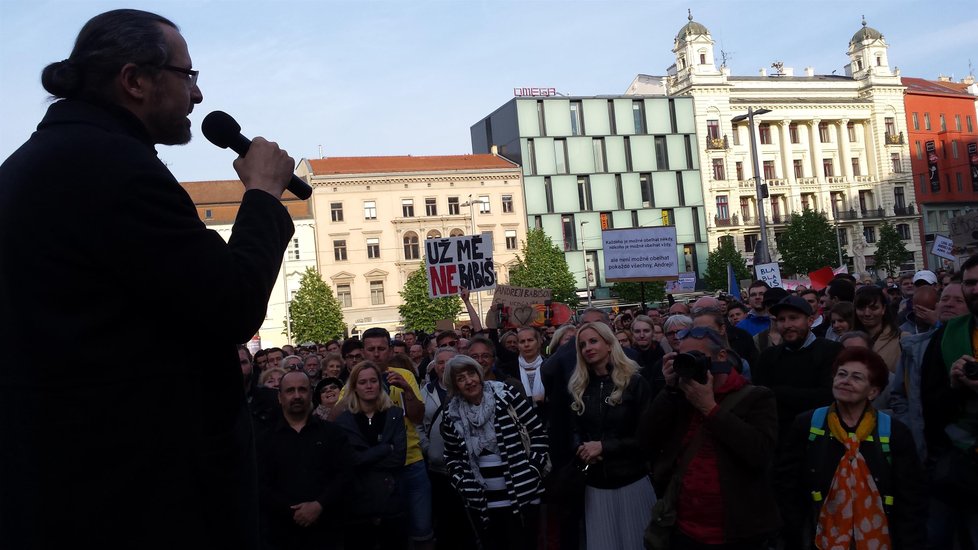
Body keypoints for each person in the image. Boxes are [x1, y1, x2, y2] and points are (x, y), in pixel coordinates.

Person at [0, 9, 298, 547]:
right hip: (141, 494)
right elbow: (231, 303)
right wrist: (260, 196)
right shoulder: (113, 168)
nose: (198, 97)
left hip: (67, 481)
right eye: (188, 77)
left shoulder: (34, 162)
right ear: (134, 80)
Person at [639, 326, 781, 548]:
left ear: (721, 356)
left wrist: (709, 408)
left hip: (737, 532)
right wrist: (669, 390)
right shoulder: (682, 394)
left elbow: (760, 453)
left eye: (696, 357)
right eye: (684, 357)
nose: (691, 364)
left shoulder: (756, 397)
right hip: (684, 527)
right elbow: (646, 439)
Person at [777, 348, 926, 550]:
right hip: (818, 537)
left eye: (857, 377)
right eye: (841, 374)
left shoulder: (894, 432)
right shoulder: (808, 424)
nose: (845, 381)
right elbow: (787, 486)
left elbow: (910, 500)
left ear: (873, 391)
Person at [440, 355, 548, 550]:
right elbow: (451, 456)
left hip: (523, 493)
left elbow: (537, 433)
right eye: (461, 378)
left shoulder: (506, 396)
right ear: (455, 386)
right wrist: (462, 483)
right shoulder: (451, 414)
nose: (469, 381)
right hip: (483, 503)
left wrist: (533, 470)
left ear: (479, 374)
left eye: (471, 373)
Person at [568, 322, 654, 549]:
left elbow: (647, 437)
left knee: (637, 542)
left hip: (632, 479)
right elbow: (574, 430)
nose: (587, 347)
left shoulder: (635, 382)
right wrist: (582, 449)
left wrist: (604, 447)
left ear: (609, 344)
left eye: (593, 341)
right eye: (582, 344)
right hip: (596, 484)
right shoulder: (579, 387)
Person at [919, 256, 978, 548]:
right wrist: (955, 386)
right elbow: (929, 401)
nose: (975, 289)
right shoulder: (946, 336)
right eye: (970, 283)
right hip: (956, 458)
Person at [258, 371, 352, 550]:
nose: (296, 396)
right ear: (280, 397)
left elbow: (345, 474)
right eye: (290, 390)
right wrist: (291, 511)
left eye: (302, 390)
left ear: (310, 394)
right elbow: (261, 484)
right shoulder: (264, 439)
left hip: (328, 530)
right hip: (281, 534)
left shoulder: (333, 434)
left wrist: (319, 505)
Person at [335, 362, 409, 550]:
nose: (369, 386)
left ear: (379, 384)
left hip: (390, 500)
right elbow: (349, 460)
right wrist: (384, 449)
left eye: (373, 381)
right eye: (362, 382)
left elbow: (399, 458)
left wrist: (363, 458)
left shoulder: (394, 414)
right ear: (354, 387)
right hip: (357, 503)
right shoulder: (344, 421)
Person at [753, 296, 843, 447]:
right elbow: (761, 399)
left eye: (794, 318)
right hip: (780, 442)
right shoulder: (768, 357)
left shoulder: (831, 351)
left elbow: (828, 397)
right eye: (781, 319)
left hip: (823, 440)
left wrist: (778, 392)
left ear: (810, 321)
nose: (787, 325)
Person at [853, 286, 905, 372]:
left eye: (873, 308)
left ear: (883, 309)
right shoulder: (847, 340)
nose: (867, 313)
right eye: (861, 308)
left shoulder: (902, 339)